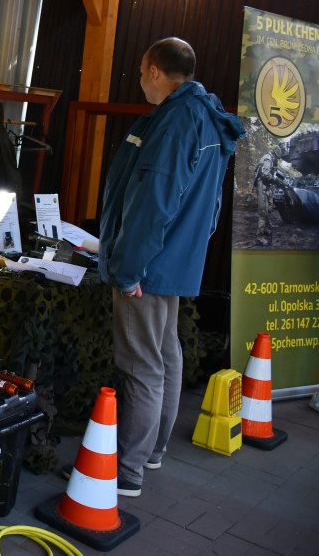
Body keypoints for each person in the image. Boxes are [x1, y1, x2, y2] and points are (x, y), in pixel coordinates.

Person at [98, 37, 244, 497]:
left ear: (155, 71)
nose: (140, 79)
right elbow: (211, 205)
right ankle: (152, 451)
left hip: (148, 266)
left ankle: (126, 470)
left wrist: (128, 270)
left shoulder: (176, 120)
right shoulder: (207, 115)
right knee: (165, 354)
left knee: (141, 364)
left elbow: (153, 203)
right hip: (175, 261)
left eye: (142, 71)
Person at [253, 145, 283, 247]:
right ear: (275, 154)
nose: (277, 159)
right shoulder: (268, 158)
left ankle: (265, 228)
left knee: (269, 208)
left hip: (267, 186)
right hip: (263, 185)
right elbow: (266, 174)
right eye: (277, 157)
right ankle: (259, 237)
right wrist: (274, 179)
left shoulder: (271, 159)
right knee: (263, 211)